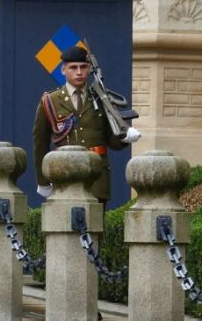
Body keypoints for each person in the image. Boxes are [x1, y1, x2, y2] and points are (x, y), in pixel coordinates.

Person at [32, 45, 141, 203]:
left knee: (95, 219)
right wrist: (43, 181)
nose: (79, 72)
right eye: (73, 67)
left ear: (89, 69)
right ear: (63, 70)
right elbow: (40, 145)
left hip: (96, 177)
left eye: (83, 67)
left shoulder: (101, 98)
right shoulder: (50, 101)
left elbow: (111, 141)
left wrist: (125, 137)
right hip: (64, 174)